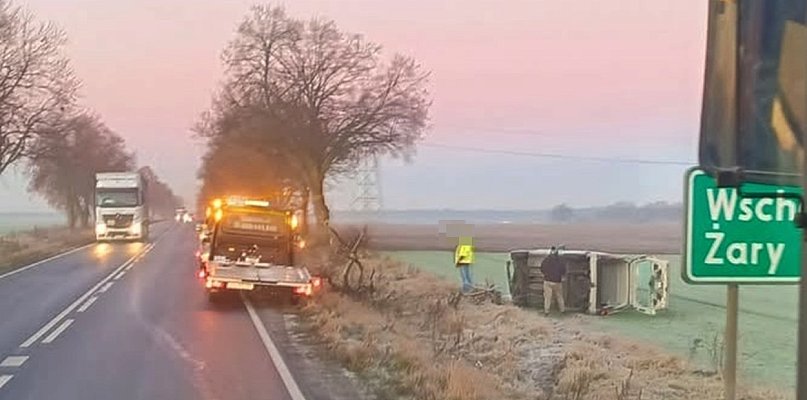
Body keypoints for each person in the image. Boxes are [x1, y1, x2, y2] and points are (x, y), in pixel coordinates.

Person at [540, 246, 567, 316]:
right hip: (557, 281)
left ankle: (546, 311)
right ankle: (562, 310)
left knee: (547, 297)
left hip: (547, 280)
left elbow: (542, 268)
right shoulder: (560, 260)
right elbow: (563, 270)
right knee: (559, 296)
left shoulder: (546, 259)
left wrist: (545, 274)